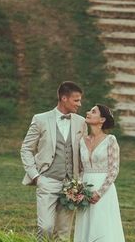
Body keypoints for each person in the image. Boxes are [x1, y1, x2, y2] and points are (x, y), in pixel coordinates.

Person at [20, 81, 87, 241]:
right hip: (47, 180)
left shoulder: (81, 122)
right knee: (45, 228)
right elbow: (26, 149)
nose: (80, 104)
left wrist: (80, 181)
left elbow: (83, 153)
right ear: (64, 98)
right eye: (76, 100)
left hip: (71, 185)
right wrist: (36, 176)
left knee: (63, 233)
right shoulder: (41, 119)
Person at [74, 104, 125, 242]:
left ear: (102, 120)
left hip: (103, 190)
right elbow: (80, 169)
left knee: (102, 227)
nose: (88, 112)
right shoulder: (81, 141)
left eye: (93, 111)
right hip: (85, 189)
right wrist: (78, 190)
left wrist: (99, 193)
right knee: (85, 225)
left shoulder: (110, 140)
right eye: (89, 110)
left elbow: (114, 169)